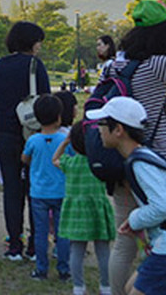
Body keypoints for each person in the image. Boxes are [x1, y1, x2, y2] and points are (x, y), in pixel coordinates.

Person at [96, 0, 166, 295]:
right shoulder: (160, 65)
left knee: (124, 240)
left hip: (123, 161)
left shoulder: (114, 65)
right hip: (158, 163)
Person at [86, 96, 166, 295]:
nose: (98, 129)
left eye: (102, 124)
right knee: (130, 288)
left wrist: (134, 219)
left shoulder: (139, 164)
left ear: (119, 130)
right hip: (160, 244)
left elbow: (162, 205)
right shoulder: (143, 156)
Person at [0, 20, 50, 261]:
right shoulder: (36, 65)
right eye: (38, 41)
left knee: (12, 191)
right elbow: (46, 102)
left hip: (4, 134)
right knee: (35, 190)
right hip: (32, 135)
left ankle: (14, 244)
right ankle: (36, 246)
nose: (39, 46)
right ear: (31, 42)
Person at [52, 120, 116, 295]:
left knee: (76, 250)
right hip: (97, 210)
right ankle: (106, 286)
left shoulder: (71, 163)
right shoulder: (99, 164)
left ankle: (78, 287)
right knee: (103, 250)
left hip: (76, 213)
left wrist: (65, 142)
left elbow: (55, 159)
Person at [21, 94, 70, 282]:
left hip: (39, 193)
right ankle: (64, 270)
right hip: (61, 191)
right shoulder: (65, 139)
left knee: (40, 234)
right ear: (59, 116)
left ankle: (41, 269)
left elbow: (25, 159)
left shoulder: (33, 141)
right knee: (62, 233)